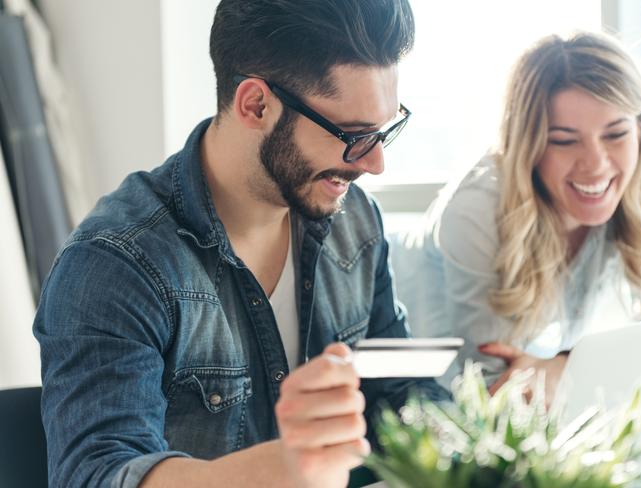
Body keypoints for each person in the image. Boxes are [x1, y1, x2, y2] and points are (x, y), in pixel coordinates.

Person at [33, 1, 449, 487]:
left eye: (384, 130)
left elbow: (404, 393)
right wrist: (287, 470)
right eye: (354, 136)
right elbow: (98, 475)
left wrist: (489, 438)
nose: (375, 164)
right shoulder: (116, 264)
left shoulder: (356, 223)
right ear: (256, 104)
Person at [391, 31, 641, 403]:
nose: (596, 165)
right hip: (406, 371)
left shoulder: (639, 180)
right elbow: (500, 383)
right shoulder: (477, 210)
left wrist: (562, 364)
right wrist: (563, 367)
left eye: (616, 134)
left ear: (640, 129)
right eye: (564, 139)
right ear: (528, 143)